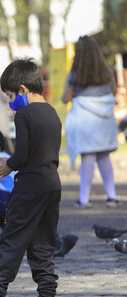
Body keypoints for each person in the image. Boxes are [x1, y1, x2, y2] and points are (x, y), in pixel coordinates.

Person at [0, 59, 62, 297]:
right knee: (44, 244)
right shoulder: (52, 112)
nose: (10, 103)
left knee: (11, 242)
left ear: (22, 89)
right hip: (52, 185)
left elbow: (22, 155)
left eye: (10, 96)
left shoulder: (25, 114)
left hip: (28, 187)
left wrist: (8, 164)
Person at [62, 36, 119, 209]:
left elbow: (65, 98)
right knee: (104, 156)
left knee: (87, 156)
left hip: (84, 120)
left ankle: (84, 199)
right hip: (104, 121)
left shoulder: (74, 75)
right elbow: (114, 91)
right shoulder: (107, 73)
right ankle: (112, 197)